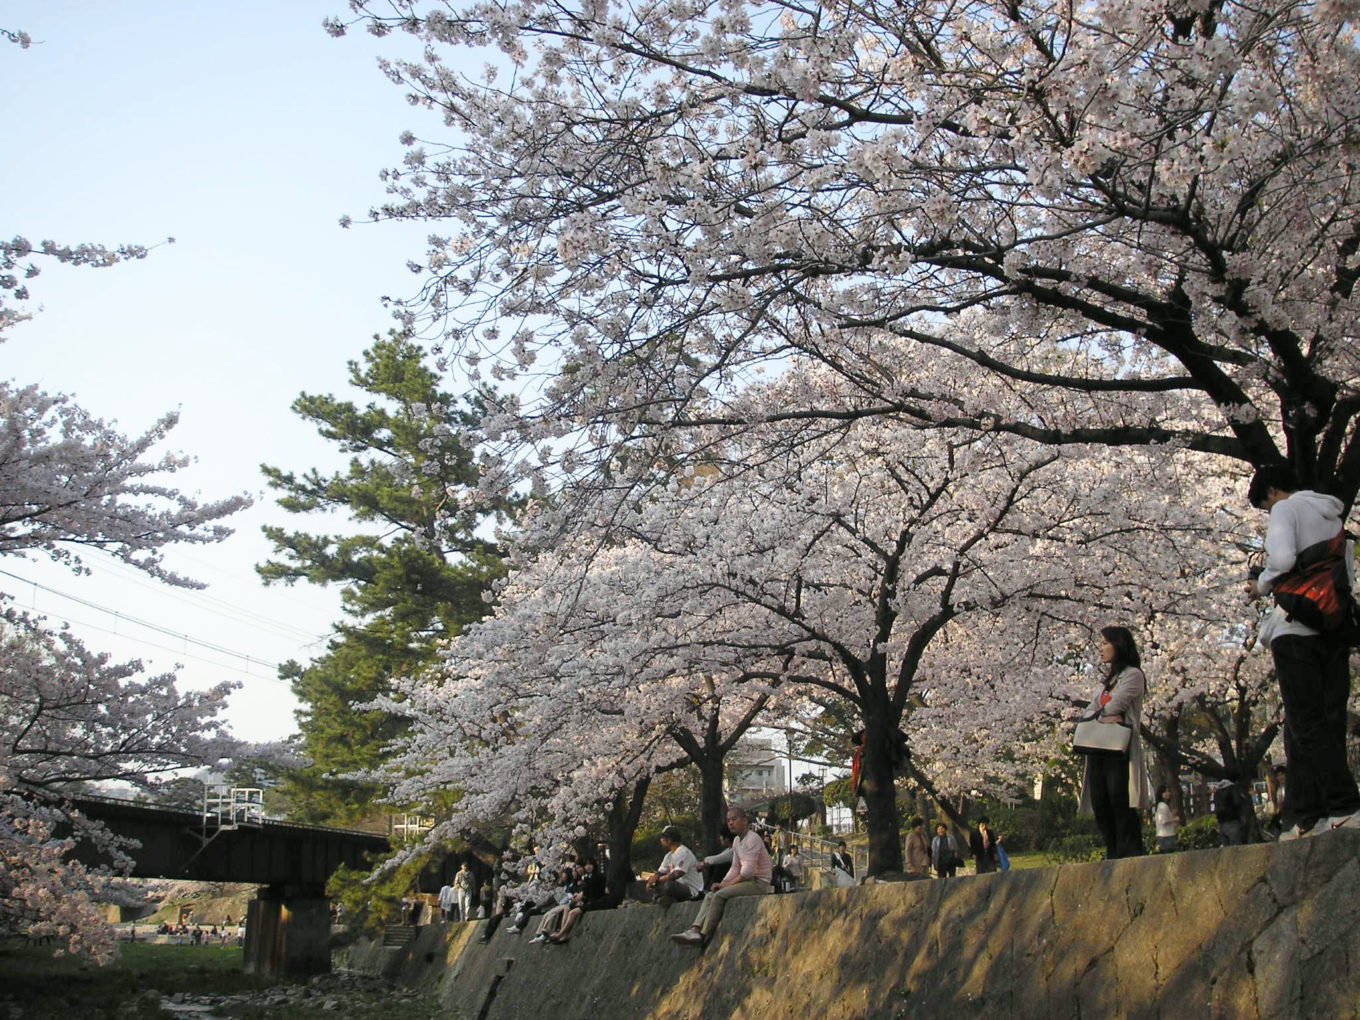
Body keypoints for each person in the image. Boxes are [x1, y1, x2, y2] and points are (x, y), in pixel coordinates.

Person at [1245, 466, 1360, 837]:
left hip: (1296, 627)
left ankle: (1341, 806)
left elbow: (1281, 561)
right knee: (1327, 721)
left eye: (1265, 505)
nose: (1268, 512)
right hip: (1331, 625)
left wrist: (1260, 584)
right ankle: (1314, 813)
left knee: (1304, 725)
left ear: (1274, 491)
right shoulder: (1333, 516)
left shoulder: (1285, 509)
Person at [1077, 625, 1150, 859]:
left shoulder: (1133, 675)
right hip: (1099, 747)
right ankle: (1112, 852)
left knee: (1120, 798)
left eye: (1106, 643)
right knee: (1101, 801)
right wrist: (1100, 713)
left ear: (1119, 645)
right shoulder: (1110, 680)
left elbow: (1117, 704)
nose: (1102, 649)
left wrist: (1102, 711)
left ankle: (1129, 852)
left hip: (1120, 747)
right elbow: (1093, 707)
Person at [671, 806, 772, 949]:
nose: (730, 823)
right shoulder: (737, 841)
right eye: (729, 820)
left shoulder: (753, 839)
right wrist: (722, 883)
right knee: (710, 895)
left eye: (734, 819)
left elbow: (747, 872)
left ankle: (703, 934)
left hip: (758, 882)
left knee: (719, 895)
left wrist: (725, 887)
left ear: (744, 821)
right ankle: (694, 929)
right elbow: (735, 867)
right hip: (747, 881)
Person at [648, 826, 703, 904]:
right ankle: (666, 899)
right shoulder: (668, 856)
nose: (661, 840)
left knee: (669, 885)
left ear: (669, 840)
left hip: (691, 889)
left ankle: (666, 898)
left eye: (663, 838)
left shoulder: (683, 852)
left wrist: (658, 880)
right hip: (679, 886)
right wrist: (652, 880)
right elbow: (660, 872)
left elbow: (676, 874)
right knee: (655, 886)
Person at [1212, 775, 1253, 846]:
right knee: (1235, 847)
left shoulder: (1217, 792)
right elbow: (1237, 802)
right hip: (1232, 820)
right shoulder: (1232, 789)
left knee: (1226, 848)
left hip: (1221, 821)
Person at [1154, 785, 1180, 853]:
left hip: (1162, 836)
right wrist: (1175, 819)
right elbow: (1164, 821)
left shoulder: (1159, 806)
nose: (1169, 793)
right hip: (1167, 836)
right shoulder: (1163, 806)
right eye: (1166, 791)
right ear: (1162, 794)